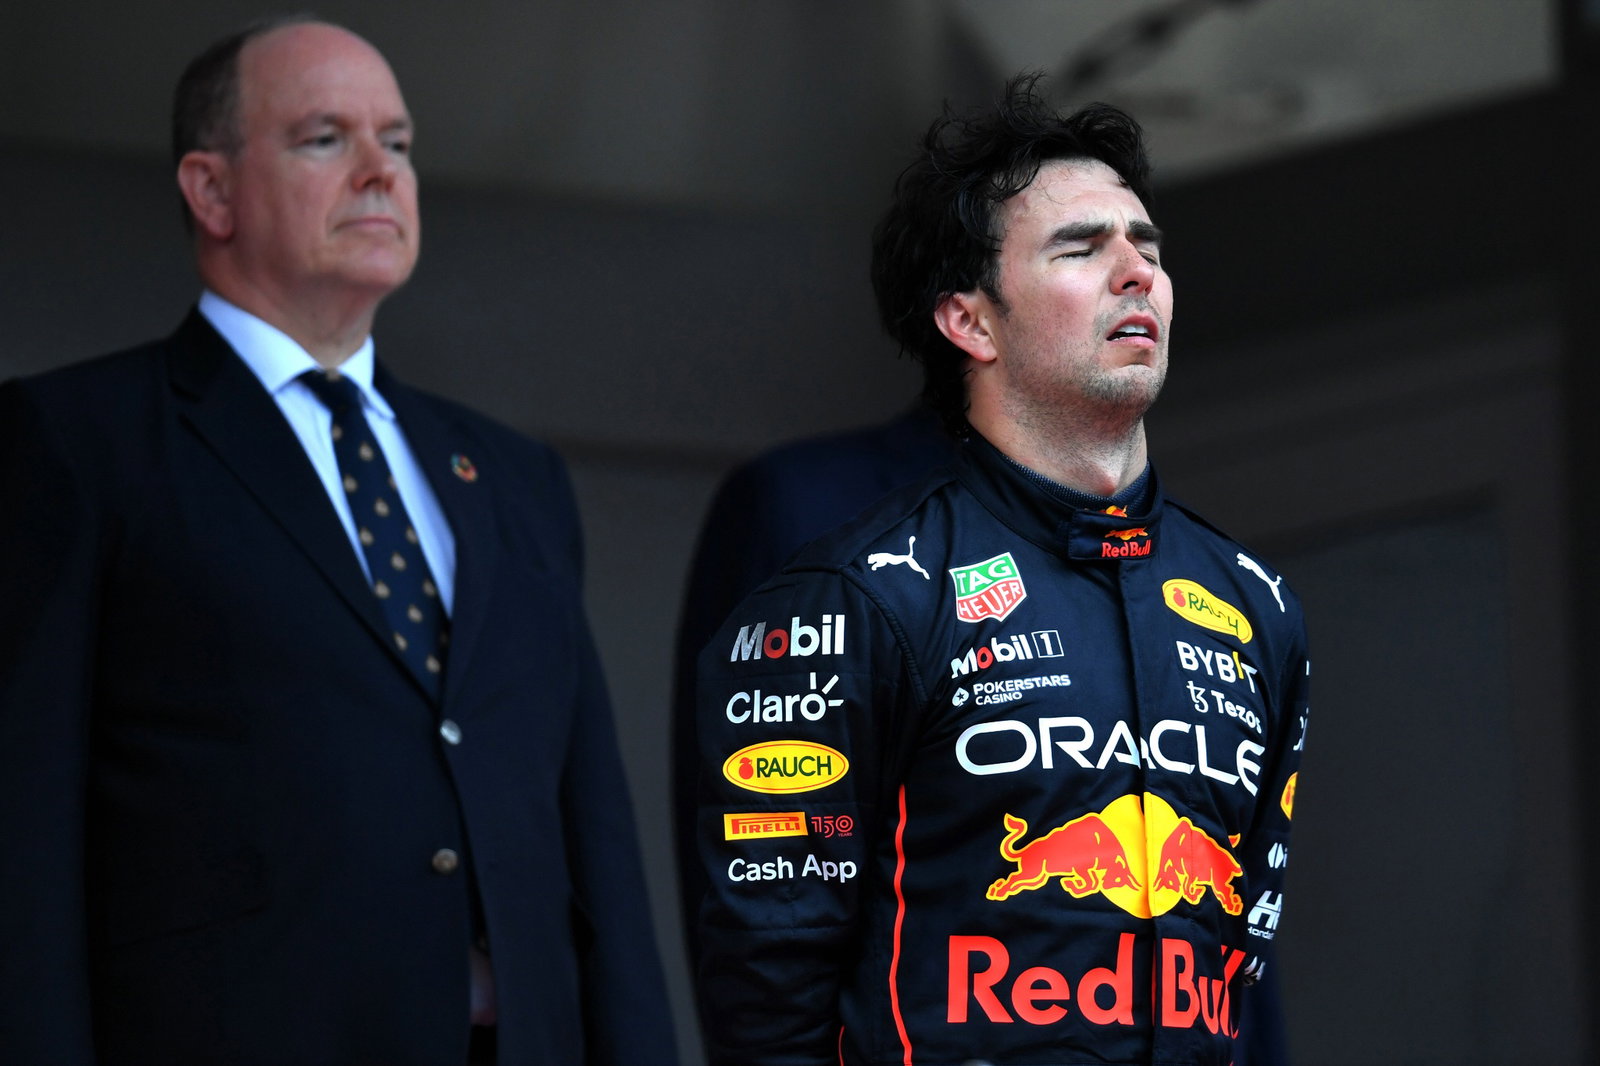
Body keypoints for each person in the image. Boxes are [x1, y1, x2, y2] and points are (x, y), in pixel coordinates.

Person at [0, 19, 674, 1066]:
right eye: (324, 138)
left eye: (397, 144)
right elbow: (20, 842)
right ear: (210, 191)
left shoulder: (513, 473)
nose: (378, 173)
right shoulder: (73, 442)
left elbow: (596, 845)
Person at [691, 74, 1309, 1066]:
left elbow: (1240, 972)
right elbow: (767, 990)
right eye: (1082, 248)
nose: (1135, 273)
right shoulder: (857, 599)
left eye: (1147, 248)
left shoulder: (1256, 604)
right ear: (969, 321)